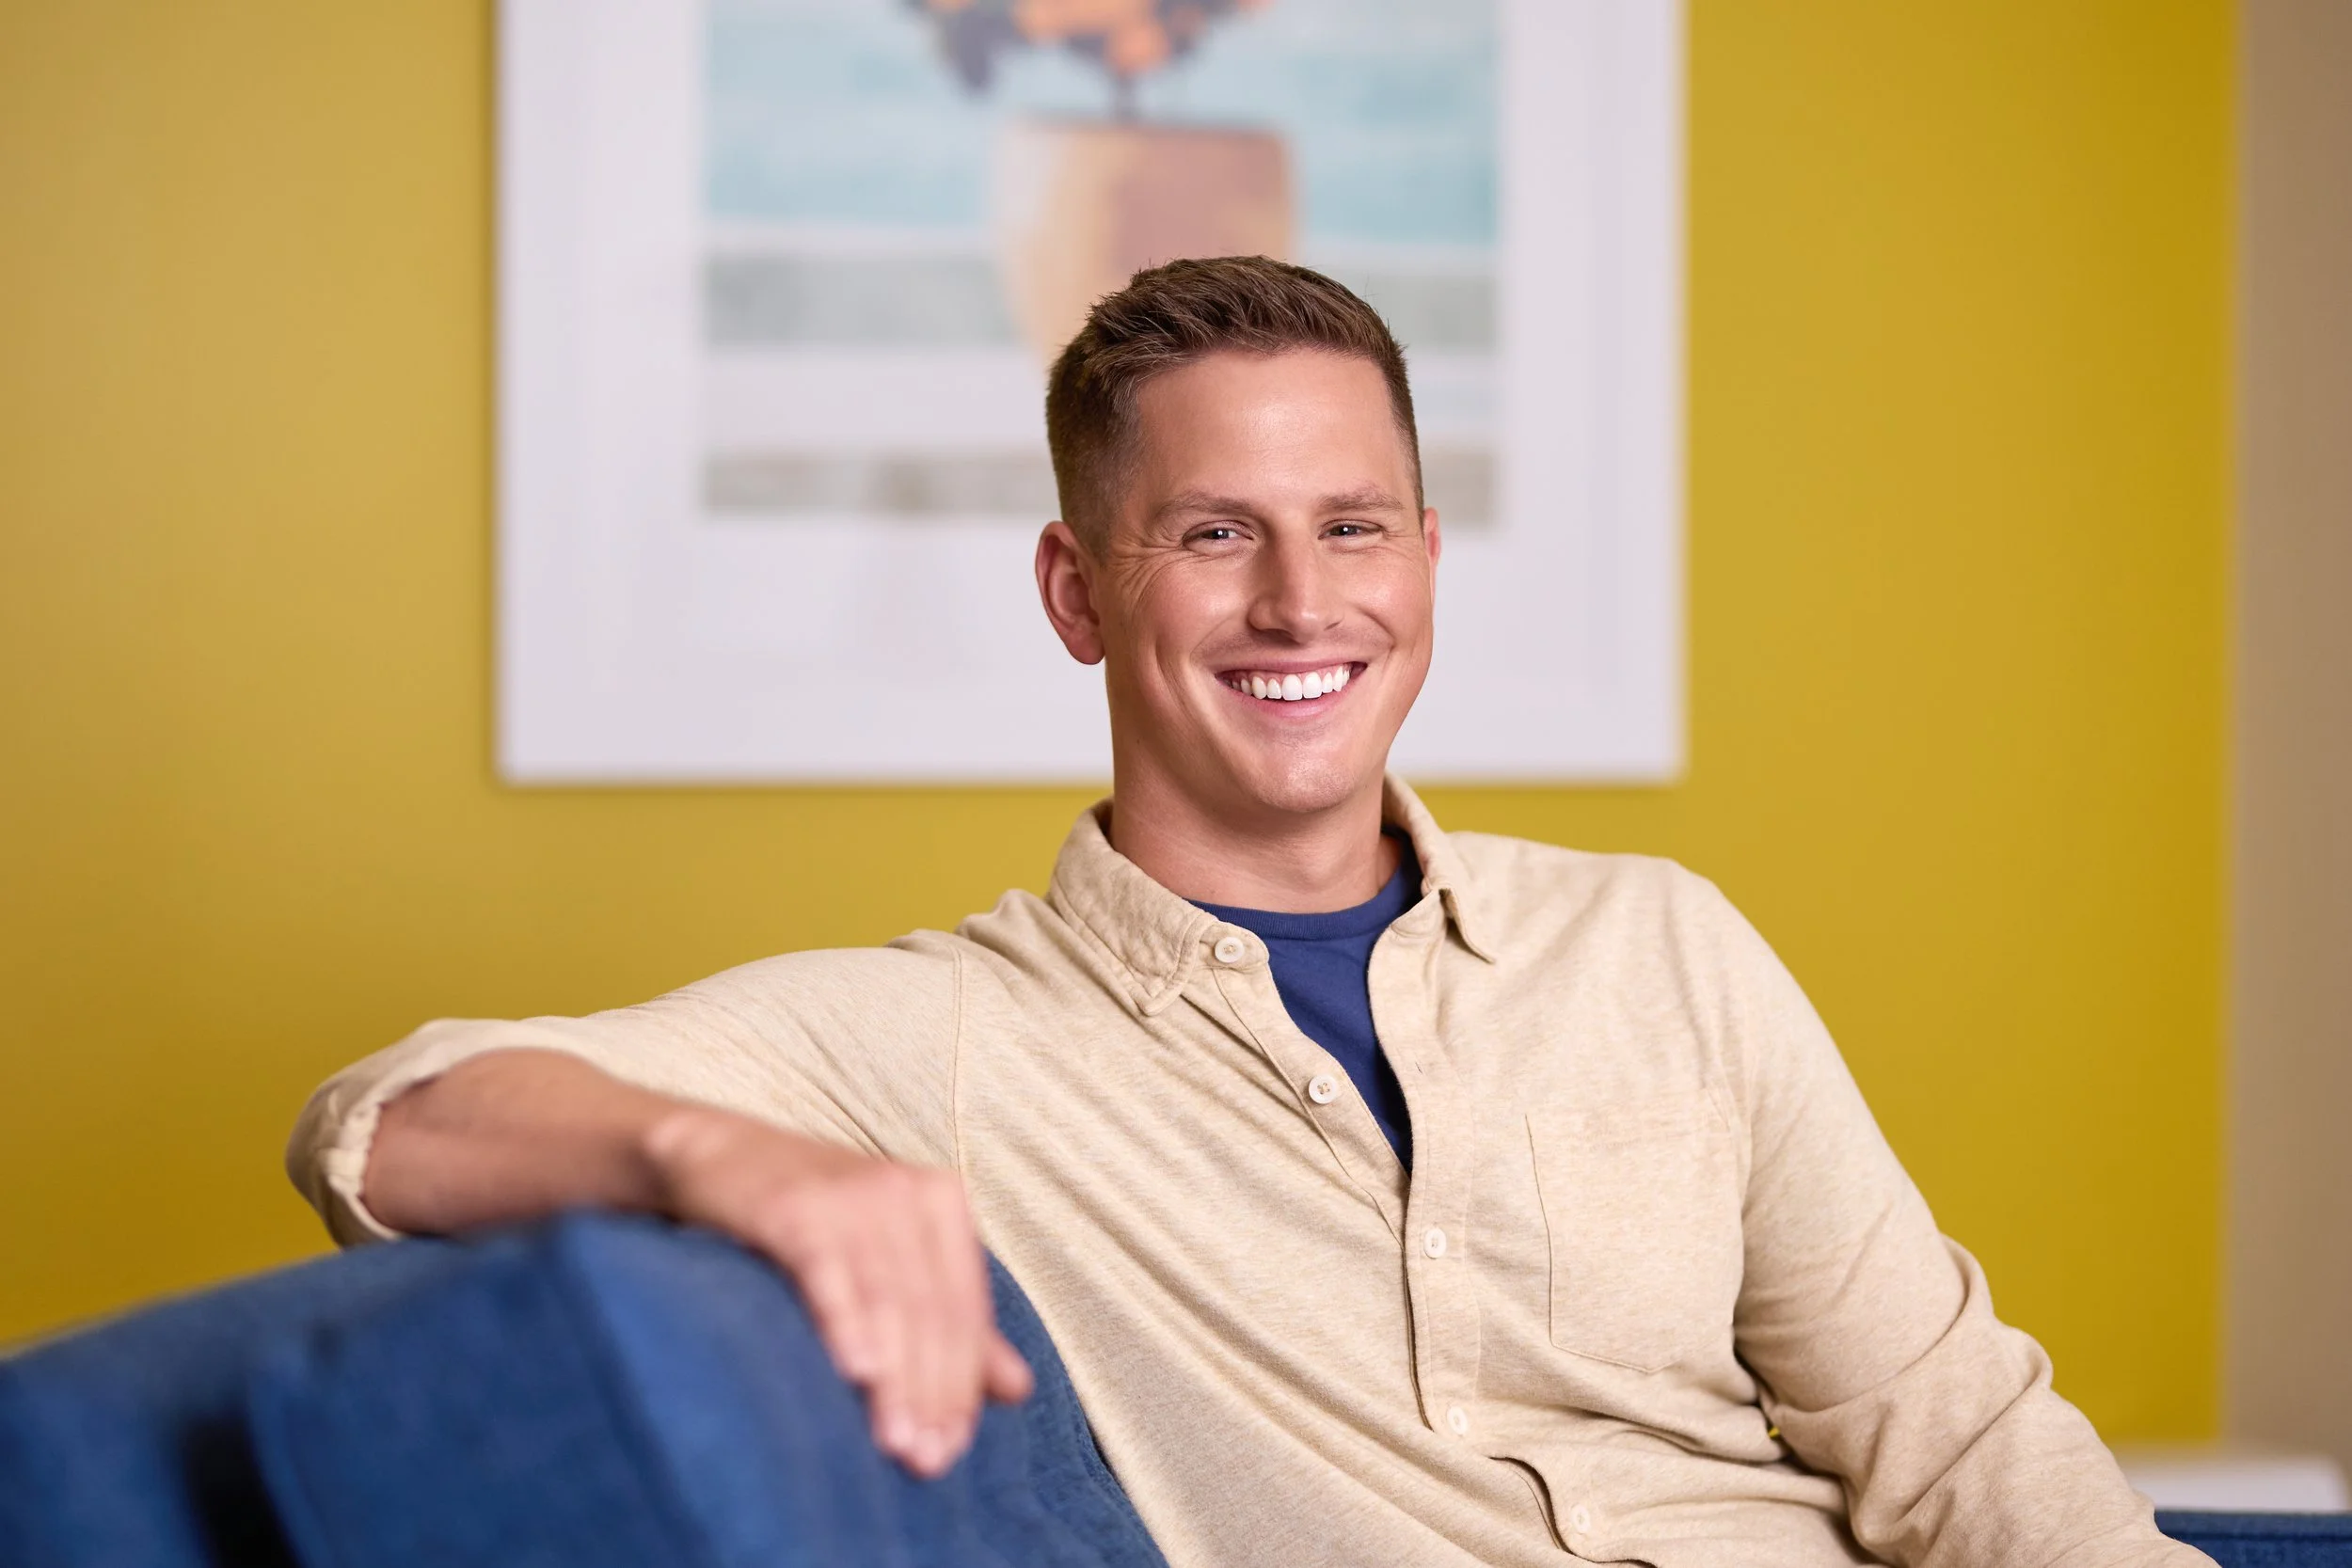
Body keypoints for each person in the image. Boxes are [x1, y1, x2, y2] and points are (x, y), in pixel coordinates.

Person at [290, 257, 2206, 1568]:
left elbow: (1948, 1436)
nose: (1303, 601)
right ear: (1076, 589)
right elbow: (389, 1121)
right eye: (1214, 532)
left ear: (1422, 560)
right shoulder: (941, 1041)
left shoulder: (1656, 942)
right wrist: (740, 1163)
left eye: (1351, 525)